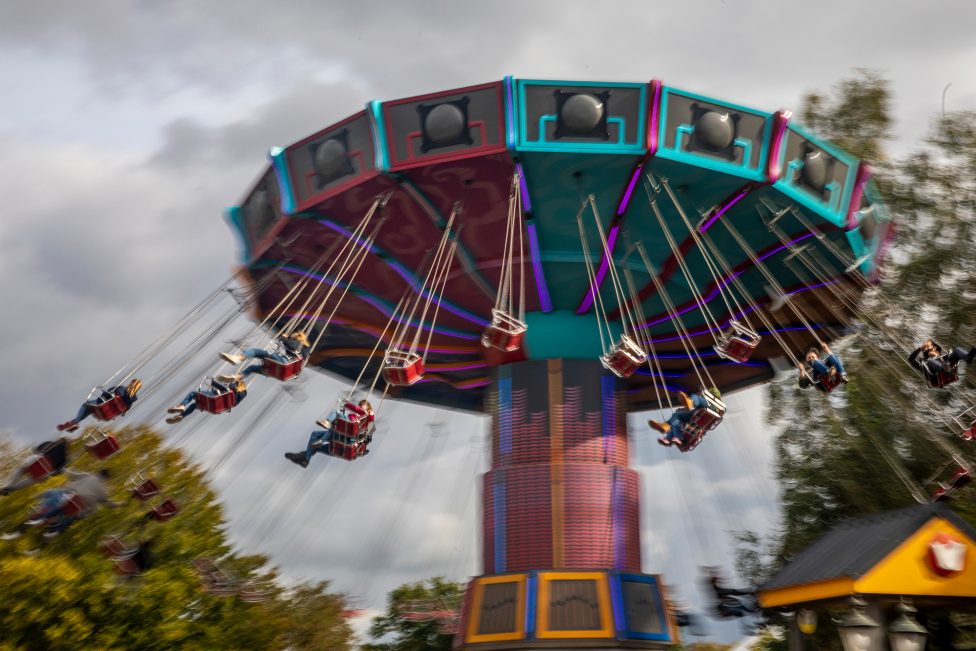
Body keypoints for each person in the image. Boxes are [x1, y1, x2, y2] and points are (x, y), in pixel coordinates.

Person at [1, 469, 121, 540]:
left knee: (46, 507)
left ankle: (25, 527)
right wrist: (120, 504)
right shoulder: (103, 491)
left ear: (99, 473)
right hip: (78, 508)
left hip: (68, 496)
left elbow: (72, 474)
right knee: (68, 518)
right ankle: (51, 532)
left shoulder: (89, 476)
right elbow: (108, 504)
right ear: (105, 479)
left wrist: (63, 469)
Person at [217, 332, 311, 382]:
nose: (290, 340)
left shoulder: (299, 344)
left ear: (296, 339)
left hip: (284, 363)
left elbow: (292, 346)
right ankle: (237, 377)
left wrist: (283, 337)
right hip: (281, 372)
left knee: (256, 351)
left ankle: (238, 358)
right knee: (252, 368)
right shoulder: (306, 352)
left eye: (291, 339)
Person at [57, 379, 142, 432]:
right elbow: (123, 413)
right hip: (108, 415)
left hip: (102, 405)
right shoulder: (130, 402)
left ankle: (75, 422)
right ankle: (75, 422)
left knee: (86, 405)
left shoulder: (121, 389)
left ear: (131, 383)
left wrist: (104, 391)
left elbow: (109, 392)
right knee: (90, 409)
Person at [648, 388, 721, 447]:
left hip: (708, 409)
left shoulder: (713, 402)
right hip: (697, 414)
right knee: (676, 415)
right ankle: (673, 436)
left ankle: (691, 402)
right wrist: (681, 410)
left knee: (695, 396)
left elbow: (714, 393)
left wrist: (705, 391)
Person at [1, 438, 69, 495]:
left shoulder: (49, 444)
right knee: (32, 480)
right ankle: (11, 488)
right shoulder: (64, 458)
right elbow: (56, 472)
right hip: (42, 472)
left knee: (21, 469)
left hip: (35, 463)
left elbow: (36, 451)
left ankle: (9, 486)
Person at [166, 379, 247, 424]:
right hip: (216, 408)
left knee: (193, 393)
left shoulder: (231, 388)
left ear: (237, 384)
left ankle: (182, 406)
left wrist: (216, 382)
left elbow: (222, 387)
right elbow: (235, 403)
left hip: (214, 398)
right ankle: (181, 416)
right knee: (194, 405)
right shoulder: (241, 395)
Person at [909, 339, 976, 377]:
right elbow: (910, 359)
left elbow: (938, 350)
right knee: (930, 360)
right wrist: (920, 349)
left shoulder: (941, 355)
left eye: (932, 347)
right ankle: (944, 369)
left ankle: (968, 357)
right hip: (935, 374)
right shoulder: (923, 363)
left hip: (947, 365)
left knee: (957, 350)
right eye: (929, 348)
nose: (932, 349)